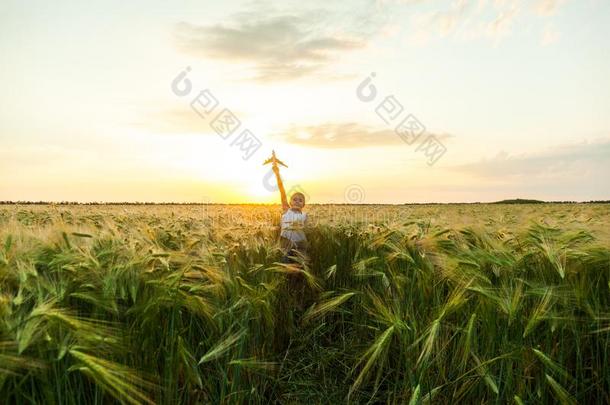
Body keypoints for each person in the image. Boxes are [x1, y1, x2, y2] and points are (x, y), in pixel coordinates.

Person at [279, 192, 308, 264]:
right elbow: (283, 197)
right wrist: (280, 183)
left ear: (303, 205)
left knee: (300, 262)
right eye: (294, 199)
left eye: (300, 200)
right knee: (285, 261)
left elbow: (307, 227)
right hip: (286, 241)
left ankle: (300, 272)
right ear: (290, 202)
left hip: (300, 242)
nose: (297, 201)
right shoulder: (286, 211)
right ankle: (287, 274)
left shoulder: (304, 215)